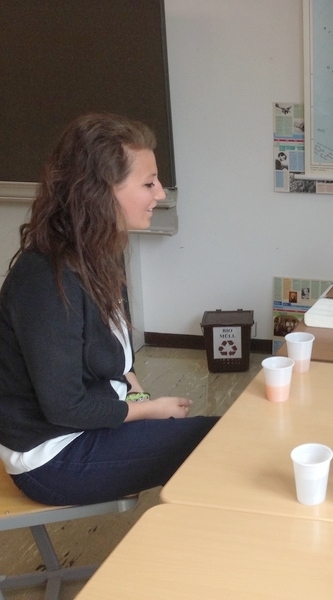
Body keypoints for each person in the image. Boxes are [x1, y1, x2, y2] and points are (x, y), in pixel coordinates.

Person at [0, 113, 218, 506]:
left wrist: (141, 402)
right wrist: (147, 410)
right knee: (219, 443)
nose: (160, 194)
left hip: (91, 426)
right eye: (149, 183)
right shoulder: (45, 279)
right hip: (52, 458)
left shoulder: (98, 252)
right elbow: (65, 406)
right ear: (100, 191)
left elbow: (117, 363)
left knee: (221, 439)